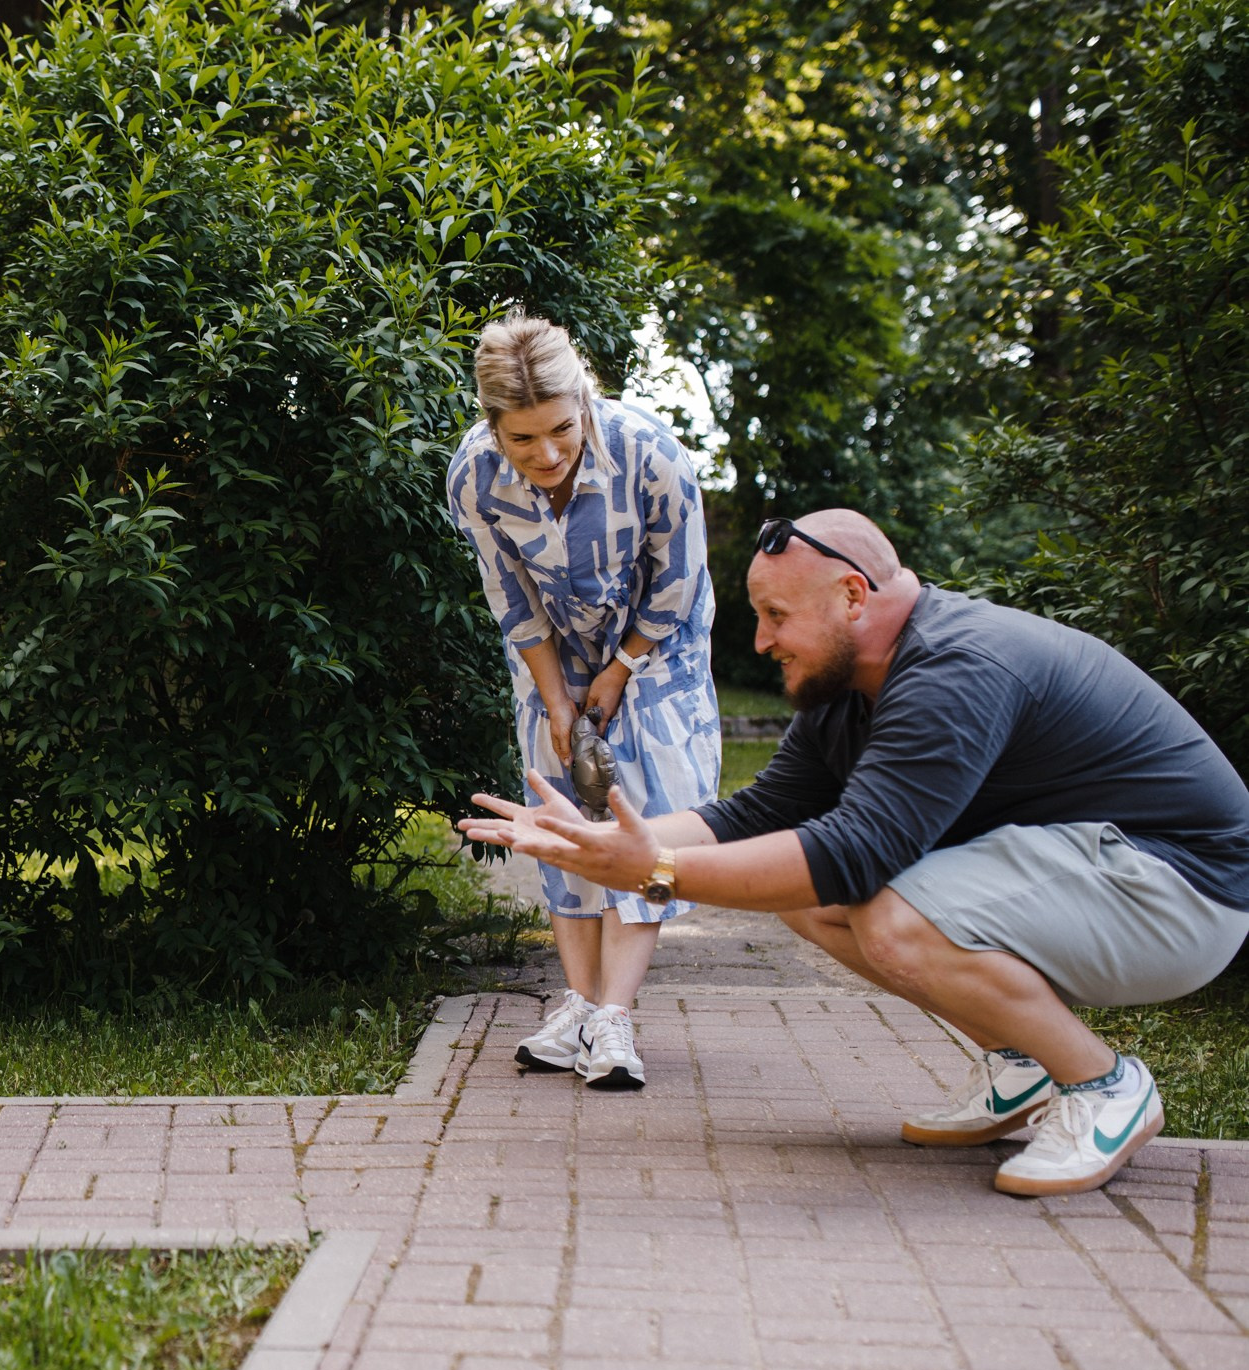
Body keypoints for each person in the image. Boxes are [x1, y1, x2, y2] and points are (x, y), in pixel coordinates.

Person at [459, 509, 1249, 1196]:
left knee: (890, 915)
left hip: (1180, 887)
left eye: (774, 615)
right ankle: (1024, 1063)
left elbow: (854, 854)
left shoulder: (955, 669)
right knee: (808, 898)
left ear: (852, 597)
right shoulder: (856, 689)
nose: (762, 640)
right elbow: (757, 815)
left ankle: (1104, 1085)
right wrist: (590, 840)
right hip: (1094, 867)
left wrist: (653, 871)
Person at [446, 310, 720, 1090]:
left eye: (561, 430)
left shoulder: (653, 456)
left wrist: (622, 667)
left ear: (585, 401)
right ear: (492, 423)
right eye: (522, 438)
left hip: (656, 646)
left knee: (633, 809)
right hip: (552, 651)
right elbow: (510, 595)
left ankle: (616, 1017)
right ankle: (576, 1003)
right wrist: (556, 697)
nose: (548, 453)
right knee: (562, 809)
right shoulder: (473, 474)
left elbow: (678, 580)